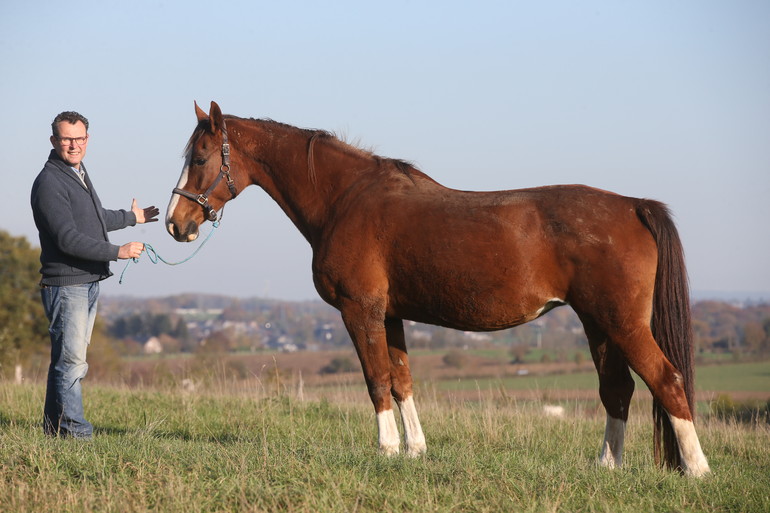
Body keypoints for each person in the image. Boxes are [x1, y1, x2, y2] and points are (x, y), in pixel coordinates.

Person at [30, 111, 159, 438]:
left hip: (85, 282)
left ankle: (54, 430)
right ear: (53, 141)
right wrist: (118, 251)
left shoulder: (76, 172)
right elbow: (67, 238)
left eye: (80, 138)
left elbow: (93, 217)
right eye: (66, 138)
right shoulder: (49, 182)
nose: (74, 145)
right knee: (72, 365)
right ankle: (77, 435)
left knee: (65, 362)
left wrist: (132, 217)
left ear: (87, 139)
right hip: (66, 285)